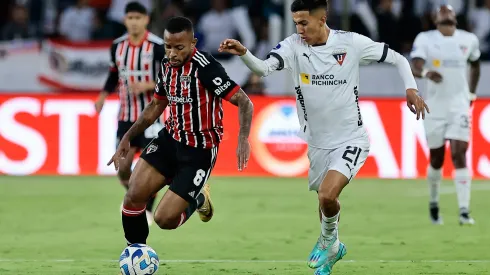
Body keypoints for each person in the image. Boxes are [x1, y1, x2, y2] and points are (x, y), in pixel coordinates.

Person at [218, 0, 429, 274]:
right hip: (317, 143)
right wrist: (245, 52)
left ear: (322, 18)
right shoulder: (293, 46)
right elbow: (262, 68)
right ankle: (334, 250)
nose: (299, 29)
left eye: (304, 22)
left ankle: (328, 240)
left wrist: (411, 88)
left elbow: (399, 58)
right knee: (324, 200)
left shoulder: (350, 44)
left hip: (351, 138)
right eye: (296, 23)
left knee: (328, 195)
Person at [108, 16, 253, 246]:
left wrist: (243, 138)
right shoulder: (166, 66)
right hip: (170, 140)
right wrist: (127, 137)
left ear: (193, 43)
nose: (172, 53)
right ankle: (135, 254)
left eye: (179, 47)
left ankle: (198, 198)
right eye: (168, 47)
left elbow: (244, 101)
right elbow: (156, 105)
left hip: (198, 151)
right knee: (133, 196)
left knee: (164, 219)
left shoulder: (206, 68)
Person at [95, 2, 165, 225]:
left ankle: (146, 208)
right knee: (123, 169)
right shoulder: (117, 47)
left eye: (138, 18)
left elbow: (169, 80)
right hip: (126, 117)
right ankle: (140, 197)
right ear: (125, 20)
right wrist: (103, 96)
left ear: (146, 20)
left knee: (150, 167)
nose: (134, 22)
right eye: (130, 18)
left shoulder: (157, 47)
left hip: (152, 117)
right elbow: (113, 74)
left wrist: (148, 86)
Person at [410, 4, 480, 226]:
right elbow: (415, 65)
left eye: (450, 13)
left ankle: (464, 211)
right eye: (442, 14)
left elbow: (476, 64)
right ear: (435, 19)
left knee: (459, 154)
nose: (446, 15)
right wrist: (425, 72)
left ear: (455, 18)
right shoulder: (425, 39)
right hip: (434, 108)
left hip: (459, 106)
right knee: (437, 158)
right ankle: (433, 203)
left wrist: (471, 93)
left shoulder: (468, 40)